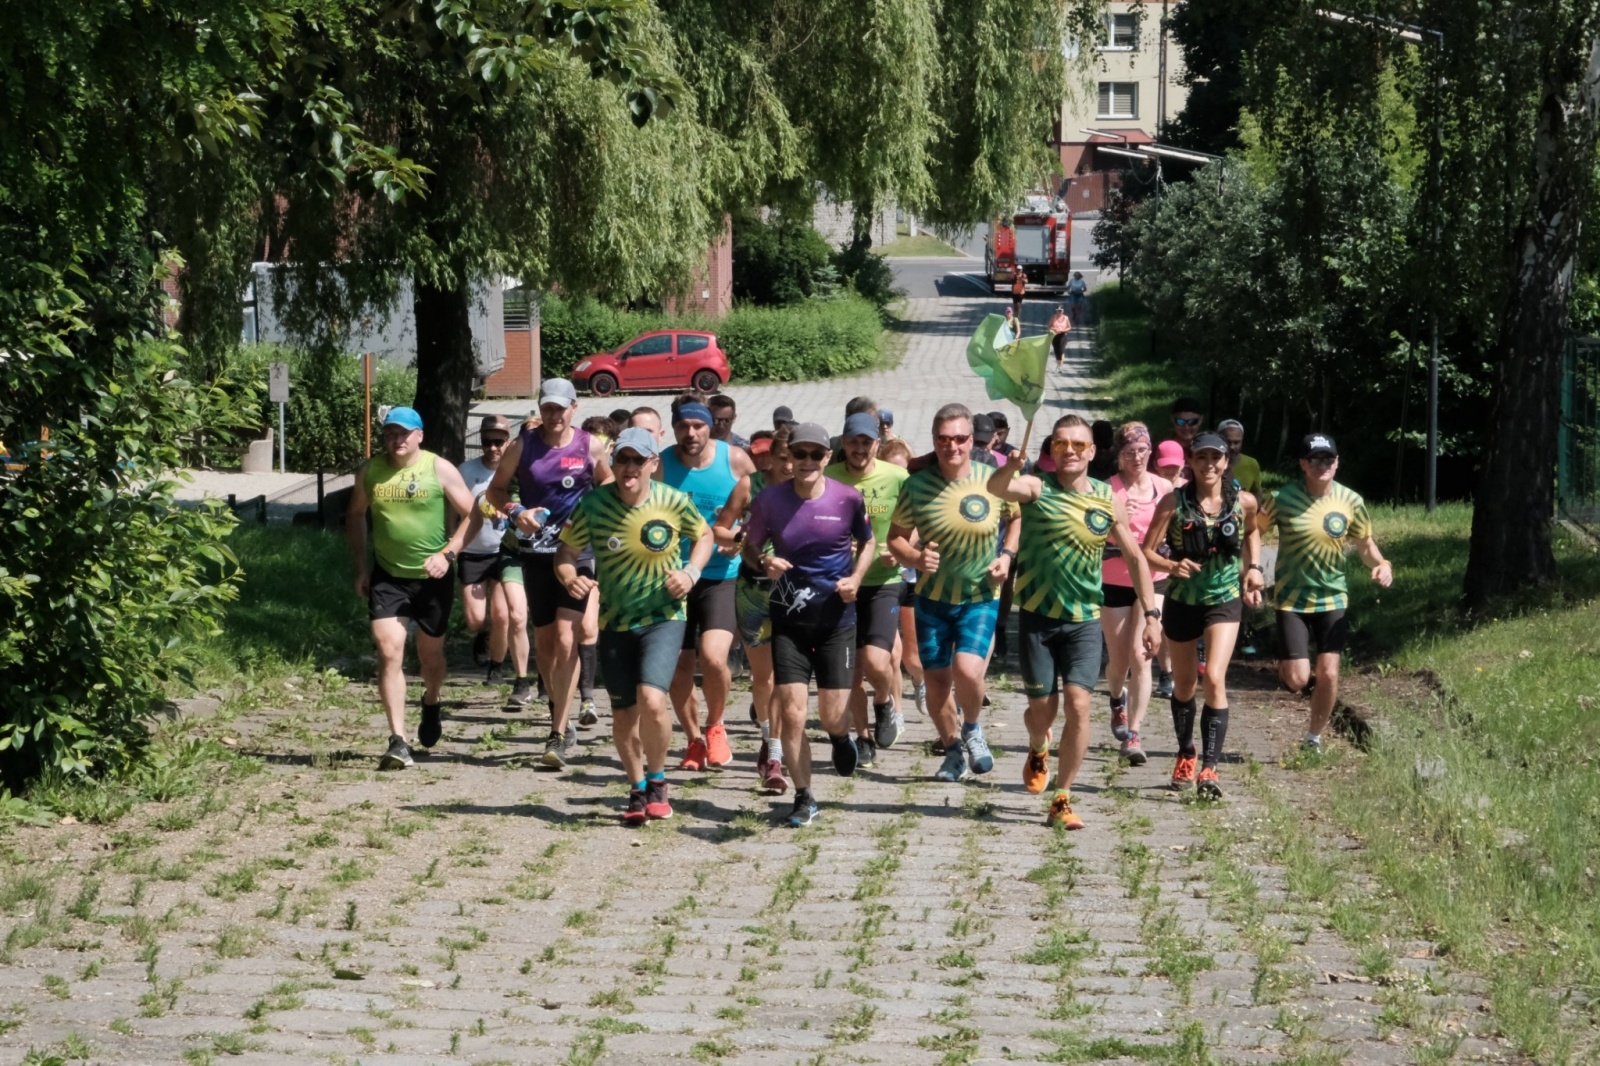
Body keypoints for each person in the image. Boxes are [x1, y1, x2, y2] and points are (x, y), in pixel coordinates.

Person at [989, 415, 1162, 829]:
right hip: (1038, 617)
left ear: (1092, 452)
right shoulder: (1036, 488)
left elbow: (1136, 558)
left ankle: (1062, 797)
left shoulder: (1106, 497)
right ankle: (1037, 744)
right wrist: (1011, 465)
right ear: (1052, 449)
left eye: (1079, 445)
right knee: (1042, 712)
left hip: (1085, 619)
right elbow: (997, 489)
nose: (1070, 450)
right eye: (1061, 444)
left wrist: (1152, 614)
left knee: (1080, 705)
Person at [555, 428, 714, 824]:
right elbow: (566, 550)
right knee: (624, 712)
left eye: (638, 461)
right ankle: (637, 786)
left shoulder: (673, 501)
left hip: (663, 616)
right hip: (615, 620)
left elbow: (705, 535)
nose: (629, 468)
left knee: (653, 701)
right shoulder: (593, 505)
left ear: (652, 465)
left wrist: (692, 572)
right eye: (622, 459)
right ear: (613, 462)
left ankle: (659, 781)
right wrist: (568, 576)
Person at [743, 423, 876, 827]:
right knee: (793, 711)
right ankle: (804, 796)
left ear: (827, 458)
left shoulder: (848, 498)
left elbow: (868, 541)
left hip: (836, 620)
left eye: (815, 455)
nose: (806, 462)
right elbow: (749, 548)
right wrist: (764, 562)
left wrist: (855, 578)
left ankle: (840, 737)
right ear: (789, 458)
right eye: (799, 454)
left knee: (834, 714)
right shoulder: (769, 500)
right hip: (789, 621)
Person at [887, 403, 1019, 783]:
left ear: (971, 440)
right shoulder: (917, 485)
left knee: (967, 670)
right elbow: (895, 539)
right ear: (935, 441)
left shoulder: (991, 477)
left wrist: (1007, 555)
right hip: (932, 599)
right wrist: (915, 556)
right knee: (938, 681)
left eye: (960, 438)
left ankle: (973, 728)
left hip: (980, 595)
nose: (953, 446)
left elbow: (1015, 517)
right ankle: (951, 751)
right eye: (944, 439)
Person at [486, 379, 613, 768]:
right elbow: (495, 491)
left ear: (574, 408)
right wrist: (515, 512)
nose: (554, 416)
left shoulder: (590, 445)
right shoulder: (523, 446)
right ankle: (559, 706)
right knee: (543, 643)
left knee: (566, 636)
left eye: (561, 408)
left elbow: (608, 481)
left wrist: (593, 513)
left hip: (578, 552)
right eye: (547, 408)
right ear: (540, 408)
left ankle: (557, 733)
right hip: (536, 552)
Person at [346, 407, 476, 770]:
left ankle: (432, 700)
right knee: (389, 652)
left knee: (430, 656)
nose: (397, 440)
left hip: (433, 577)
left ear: (419, 435)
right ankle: (397, 740)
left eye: (404, 433)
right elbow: (356, 515)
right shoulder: (370, 471)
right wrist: (360, 567)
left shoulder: (438, 468)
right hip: (388, 576)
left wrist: (448, 553)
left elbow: (473, 513)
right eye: (390, 433)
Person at [1141, 432, 1264, 799]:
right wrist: (1171, 564)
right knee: (1183, 685)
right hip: (1182, 600)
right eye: (1202, 458)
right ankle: (1186, 752)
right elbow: (1145, 551)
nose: (1209, 465)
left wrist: (1254, 568)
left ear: (1226, 462)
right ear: (1190, 463)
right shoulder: (1173, 503)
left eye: (1216, 458)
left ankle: (1210, 767)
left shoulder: (1243, 502)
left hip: (1224, 598)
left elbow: (1253, 533)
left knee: (1213, 676)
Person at [1260, 433, 1392, 752]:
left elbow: (1365, 545)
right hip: (1292, 598)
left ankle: (1313, 738)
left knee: (1329, 673)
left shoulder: (1351, 501)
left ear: (1337, 462)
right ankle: (1286, 662)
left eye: (1328, 459)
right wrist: (1251, 569)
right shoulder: (1281, 498)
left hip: (1332, 596)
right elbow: (1254, 532)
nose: (1323, 465)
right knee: (1297, 680)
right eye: (1315, 459)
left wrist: (1382, 563)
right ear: (1303, 464)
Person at [658, 397, 757, 770]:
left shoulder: (734, 459)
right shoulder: (661, 465)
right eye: (683, 426)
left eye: (698, 426)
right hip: (672, 577)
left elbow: (757, 507)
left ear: (709, 425)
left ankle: (716, 726)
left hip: (719, 575)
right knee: (678, 666)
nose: (691, 433)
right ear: (674, 428)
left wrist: (741, 540)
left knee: (714, 657)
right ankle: (694, 739)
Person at [827, 412, 912, 767]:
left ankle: (884, 703)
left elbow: (916, 521)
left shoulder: (897, 477)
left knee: (877, 660)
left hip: (882, 581)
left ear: (877, 443)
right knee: (849, 672)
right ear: (843, 444)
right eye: (852, 442)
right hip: (840, 583)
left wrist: (901, 547)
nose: (859, 448)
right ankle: (862, 739)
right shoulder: (828, 477)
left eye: (866, 442)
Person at [715, 426, 795, 793]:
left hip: (798, 592)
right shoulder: (750, 485)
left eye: (799, 457)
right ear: (770, 458)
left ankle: (776, 754)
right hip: (755, 589)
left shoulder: (814, 489)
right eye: (783, 458)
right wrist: (740, 541)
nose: (792, 465)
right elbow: (720, 528)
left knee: (788, 677)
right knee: (764, 677)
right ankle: (768, 737)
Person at [1101, 422, 1173, 766]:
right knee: (1118, 661)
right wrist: (1116, 525)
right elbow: (1091, 537)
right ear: (1119, 456)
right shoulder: (1106, 490)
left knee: (1141, 655)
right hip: (1113, 579)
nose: (1137, 458)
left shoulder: (1165, 488)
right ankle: (1116, 698)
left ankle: (1134, 733)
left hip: (1152, 579)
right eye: (1130, 452)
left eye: (1143, 451)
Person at [456, 415, 530, 698]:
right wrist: (454, 541)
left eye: (499, 442)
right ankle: (482, 634)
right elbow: (456, 510)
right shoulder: (466, 470)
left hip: (504, 551)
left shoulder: (516, 470)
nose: (493, 447)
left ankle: (496, 668)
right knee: (476, 619)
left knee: (503, 614)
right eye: (487, 441)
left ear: (508, 441)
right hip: (473, 552)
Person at [879, 439, 925, 714]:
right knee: (890, 651)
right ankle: (894, 713)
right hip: (879, 582)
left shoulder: (916, 494)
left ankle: (920, 682)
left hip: (907, 578)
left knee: (911, 655)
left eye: (905, 470)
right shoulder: (876, 492)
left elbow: (917, 529)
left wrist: (902, 550)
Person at [1216, 419, 1263, 501]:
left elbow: (1257, 492)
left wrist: (1256, 508)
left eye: (1236, 442)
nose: (1232, 447)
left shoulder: (1251, 464)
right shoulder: (1210, 463)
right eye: (1227, 442)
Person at [1048, 305, 1071, 369]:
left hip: (1063, 335)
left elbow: (1069, 327)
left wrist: (1063, 330)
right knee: (1056, 350)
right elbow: (1049, 326)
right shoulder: (1053, 317)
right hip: (1055, 335)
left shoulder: (1066, 318)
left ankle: (1060, 365)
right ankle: (1058, 364)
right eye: (1058, 311)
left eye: (1060, 311)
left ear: (1063, 311)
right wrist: (1054, 329)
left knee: (1061, 350)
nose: (1059, 312)